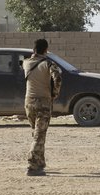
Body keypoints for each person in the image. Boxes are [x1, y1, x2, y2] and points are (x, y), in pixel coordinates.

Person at [23, 39, 62, 176]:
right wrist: (54, 94)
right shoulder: (48, 63)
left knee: (36, 133)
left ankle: (40, 162)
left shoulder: (26, 63)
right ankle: (32, 166)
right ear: (46, 49)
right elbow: (57, 78)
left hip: (29, 102)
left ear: (34, 49)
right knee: (39, 136)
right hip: (43, 103)